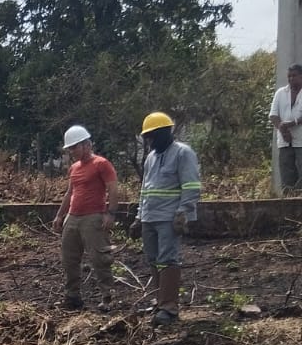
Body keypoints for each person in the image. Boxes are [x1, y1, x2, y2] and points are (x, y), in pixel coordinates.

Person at [130, 112, 202, 326]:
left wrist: (183, 212)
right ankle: (160, 300)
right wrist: (139, 217)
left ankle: (169, 307)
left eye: (152, 136)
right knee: (153, 258)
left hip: (169, 217)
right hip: (150, 217)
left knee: (168, 259)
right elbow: (145, 190)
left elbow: (191, 186)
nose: (149, 141)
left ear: (165, 133)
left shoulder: (183, 153)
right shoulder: (151, 158)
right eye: (147, 137)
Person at [50, 125, 118, 311]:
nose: (72, 152)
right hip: (73, 216)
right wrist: (60, 215)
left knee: (99, 258)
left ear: (86, 144)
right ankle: (72, 296)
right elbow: (69, 193)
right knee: (69, 258)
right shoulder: (74, 168)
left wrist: (110, 213)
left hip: (93, 216)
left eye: (74, 147)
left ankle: (108, 297)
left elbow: (112, 188)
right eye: (70, 148)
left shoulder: (101, 164)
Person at [270, 63, 302, 194]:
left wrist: (291, 123)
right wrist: (282, 129)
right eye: (289, 76)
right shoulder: (281, 93)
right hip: (284, 141)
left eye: (294, 76)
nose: (291, 79)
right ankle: (288, 203)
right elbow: (273, 115)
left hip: (301, 141)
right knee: (287, 174)